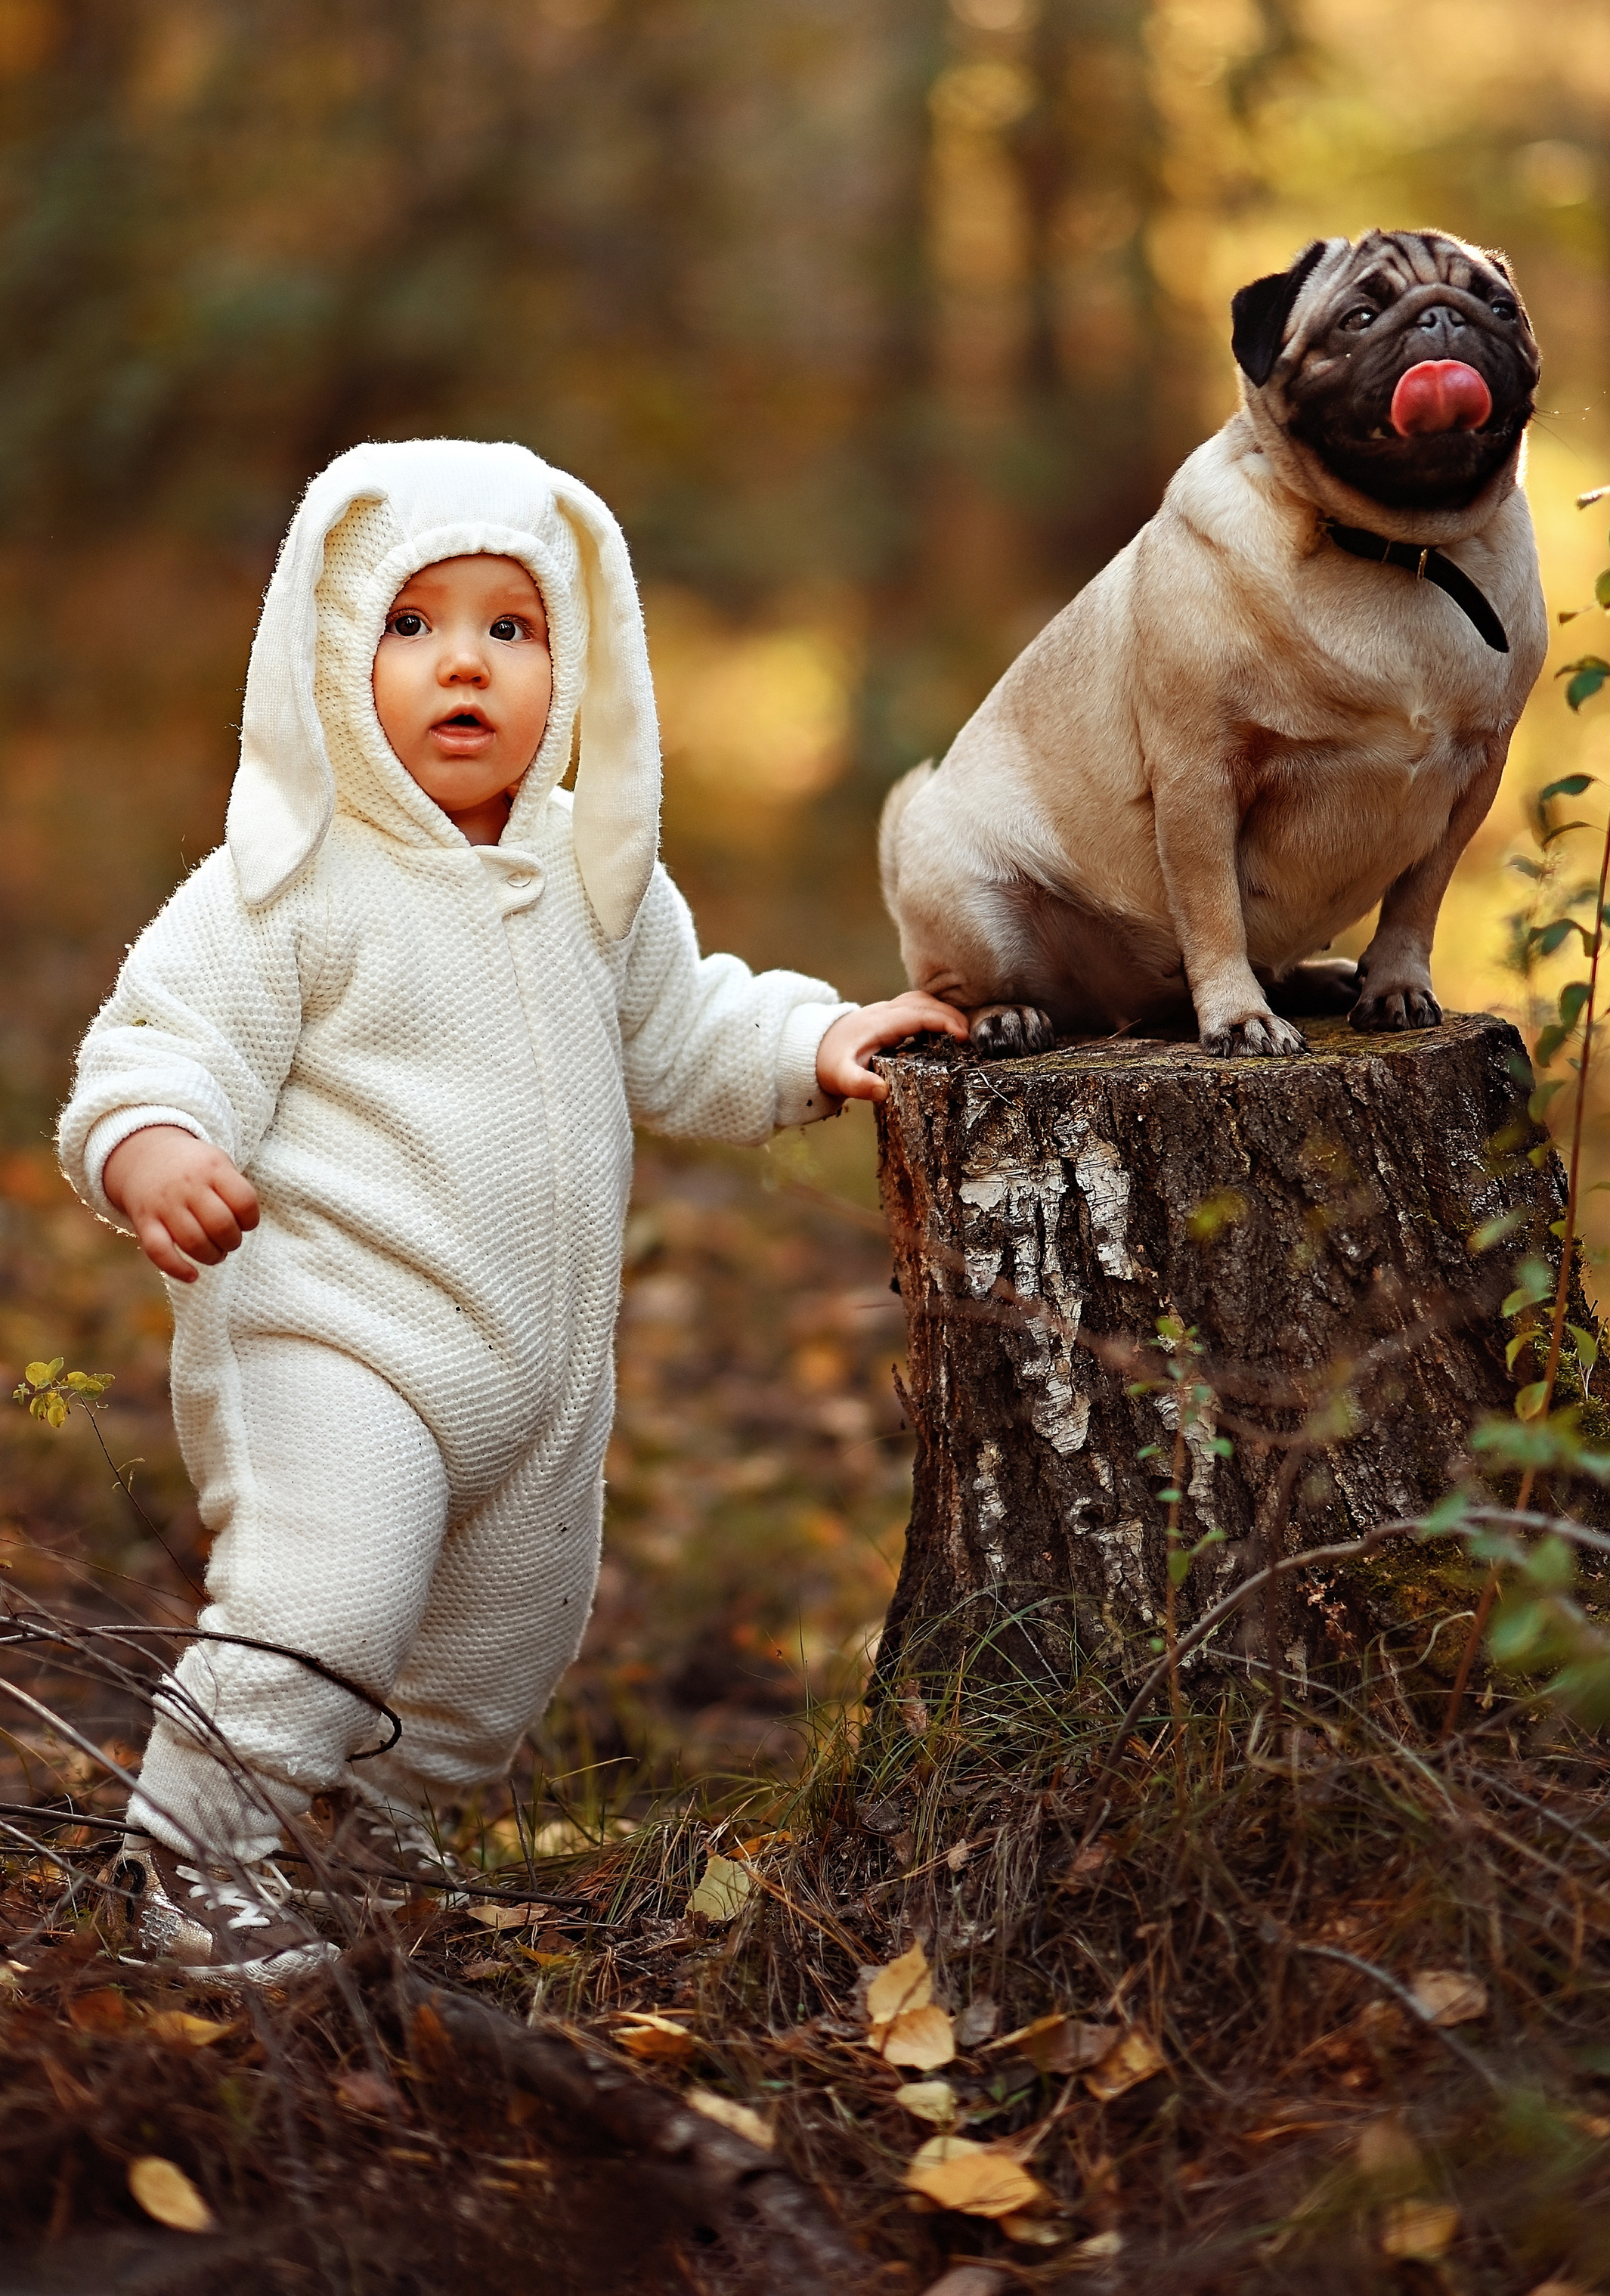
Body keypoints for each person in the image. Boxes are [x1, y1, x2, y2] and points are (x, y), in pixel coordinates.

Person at [57, 439, 964, 1981]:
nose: (460, 665)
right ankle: (196, 1865)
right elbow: (159, 1041)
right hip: (332, 1339)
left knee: (497, 1653)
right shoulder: (284, 878)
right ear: (333, 657)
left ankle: (369, 1846)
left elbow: (678, 1026)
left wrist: (810, 1042)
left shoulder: (587, 870)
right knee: (325, 1596)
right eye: (409, 625)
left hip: (536, 1371)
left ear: (573, 661)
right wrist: (151, 1144)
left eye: (510, 627)